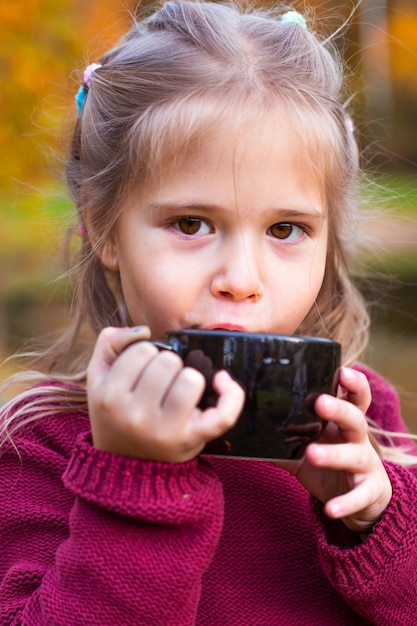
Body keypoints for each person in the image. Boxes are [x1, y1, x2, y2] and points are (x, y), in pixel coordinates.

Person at [1, 2, 417, 624]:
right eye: (191, 224)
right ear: (103, 226)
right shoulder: (40, 444)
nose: (241, 281)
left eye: (286, 229)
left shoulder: (358, 419)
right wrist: (133, 482)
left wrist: (375, 517)